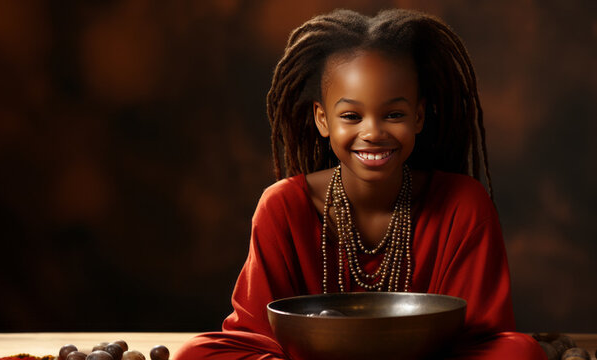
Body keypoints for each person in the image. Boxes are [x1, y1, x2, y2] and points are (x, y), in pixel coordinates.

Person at [175, 8, 545, 360]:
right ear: (322, 119)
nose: (372, 132)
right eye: (351, 115)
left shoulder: (464, 203)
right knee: (195, 354)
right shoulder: (283, 205)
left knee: (522, 352)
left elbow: (483, 337)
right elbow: (255, 333)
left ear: (418, 116)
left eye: (394, 114)